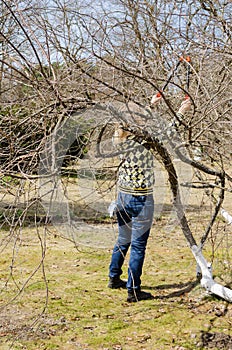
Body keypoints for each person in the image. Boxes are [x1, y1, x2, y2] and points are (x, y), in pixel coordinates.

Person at [108, 96, 191, 302]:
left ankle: (113, 277)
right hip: (141, 199)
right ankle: (133, 290)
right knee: (137, 246)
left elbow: (132, 123)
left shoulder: (117, 137)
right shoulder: (143, 140)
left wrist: (151, 105)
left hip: (122, 197)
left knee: (123, 238)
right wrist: (182, 110)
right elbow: (169, 132)